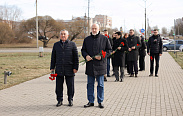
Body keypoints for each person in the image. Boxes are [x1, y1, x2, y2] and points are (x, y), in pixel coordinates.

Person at [81, 24, 112, 108]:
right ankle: (90, 101)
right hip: (90, 65)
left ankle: (100, 101)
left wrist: (102, 57)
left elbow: (109, 50)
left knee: (100, 85)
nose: (94, 30)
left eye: (95, 28)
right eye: (93, 28)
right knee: (90, 84)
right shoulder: (87, 39)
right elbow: (83, 50)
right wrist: (86, 56)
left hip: (100, 65)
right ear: (91, 29)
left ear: (99, 29)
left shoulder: (104, 39)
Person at [50, 29, 79, 107]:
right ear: (60, 35)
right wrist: (52, 67)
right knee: (59, 86)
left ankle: (70, 99)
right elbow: (53, 57)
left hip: (69, 68)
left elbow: (76, 57)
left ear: (67, 35)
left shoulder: (72, 44)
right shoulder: (56, 45)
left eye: (64, 34)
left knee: (70, 86)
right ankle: (59, 100)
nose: (63, 35)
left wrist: (76, 67)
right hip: (59, 68)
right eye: (61, 34)